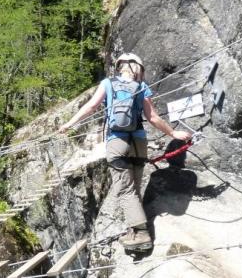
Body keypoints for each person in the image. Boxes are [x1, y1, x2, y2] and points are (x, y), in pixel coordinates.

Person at [58, 53, 192, 251]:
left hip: (117, 141)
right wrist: (173, 132)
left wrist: (69, 124)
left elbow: (91, 106)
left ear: (120, 67)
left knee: (125, 190)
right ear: (137, 68)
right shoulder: (141, 87)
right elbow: (153, 117)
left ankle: (142, 235)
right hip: (139, 143)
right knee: (134, 189)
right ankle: (134, 230)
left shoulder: (108, 83)